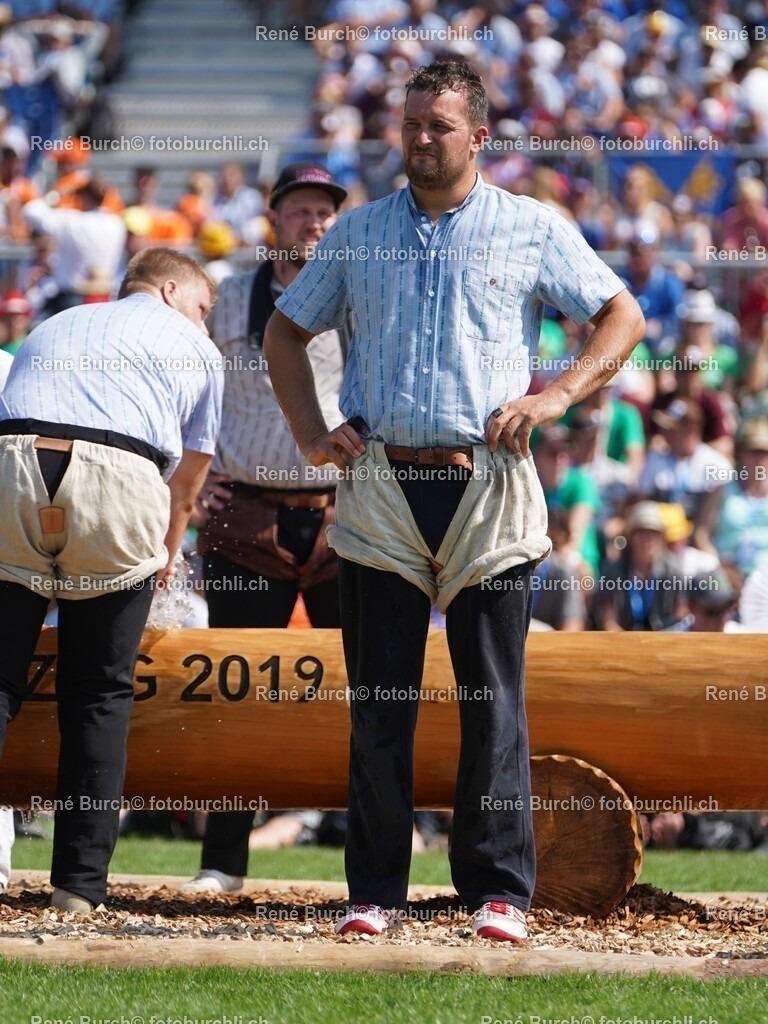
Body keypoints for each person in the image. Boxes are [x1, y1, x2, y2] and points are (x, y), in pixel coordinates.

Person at [264, 59, 644, 942]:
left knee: (494, 700)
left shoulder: (531, 227)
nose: (420, 139)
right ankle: (374, 893)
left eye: (438, 126)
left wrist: (557, 397)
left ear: (480, 137)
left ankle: (499, 891)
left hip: (491, 479)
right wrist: (310, 433)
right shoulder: (358, 235)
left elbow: (619, 314)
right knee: (380, 703)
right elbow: (286, 330)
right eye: (411, 124)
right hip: (382, 481)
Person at [0, 247, 222, 915]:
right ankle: (77, 887)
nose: (206, 324)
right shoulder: (195, 347)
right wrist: (164, 555)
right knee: (99, 692)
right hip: (118, 473)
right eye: (204, 309)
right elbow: (186, 484)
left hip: (12, 460)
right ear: (172, 290)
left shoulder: (57, 322)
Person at [181, 163, 349, 896]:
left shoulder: (360, 295)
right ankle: (222, 862)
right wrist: (188, 471)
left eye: (325, 212)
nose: (315, 222)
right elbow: (183, 380)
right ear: (274, 221)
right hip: (243, 510)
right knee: (232, 692)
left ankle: (370, 872)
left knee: (364, 690)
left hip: (346, 515)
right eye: (302, 211)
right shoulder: (225, 299)